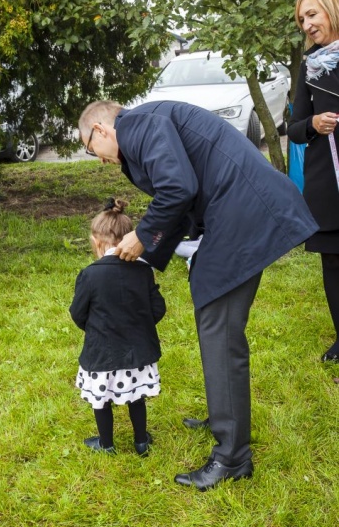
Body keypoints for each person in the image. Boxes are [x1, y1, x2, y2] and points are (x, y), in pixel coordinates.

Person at [78, 99, 318, 490]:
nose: (100, 159)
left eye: (92, 149)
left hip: (242, 213)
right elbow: (184, 196)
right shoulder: (145, 125)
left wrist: (143, 235)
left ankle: (232, 457)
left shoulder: (136, 127)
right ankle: (225, 416)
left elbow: (178, 188)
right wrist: (148, 255)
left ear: (101, 130)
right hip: (235, 212)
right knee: (211, 311)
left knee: (219, 329)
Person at [69, 197, 166, 456]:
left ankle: (106, 444)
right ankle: (141, 441)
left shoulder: (90, 274)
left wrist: (96, 330)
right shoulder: (144, 271)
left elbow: (78, 312)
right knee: (136, 397)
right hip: (138, 352)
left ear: (97, 242)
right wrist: (140, 326)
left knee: (101, 401)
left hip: (102, 352)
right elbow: (158, 308)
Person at [288, 0, 339, 367]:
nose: (306, 25)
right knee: (333, 263)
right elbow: (294, 128)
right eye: (301, 20)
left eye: (311, 15)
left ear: (331, 9)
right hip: (327, 181)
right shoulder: (310, 66)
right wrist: (313, 124)